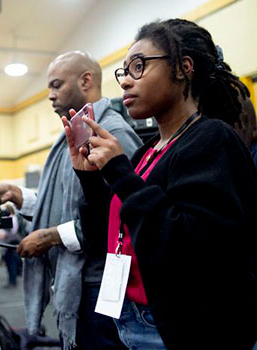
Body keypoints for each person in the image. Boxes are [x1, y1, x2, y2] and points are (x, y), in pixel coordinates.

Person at [63, 19, 257, 350]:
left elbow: (191, 247)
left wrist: (121, 174)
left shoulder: (211, 139)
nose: (125, 81)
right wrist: (91, 179)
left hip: (187, 326)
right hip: (131, 317)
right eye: (123, 71)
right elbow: (105, 241)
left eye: (138, 67)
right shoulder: (144, 151)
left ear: (183, 68)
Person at [0, 51, 142, 349]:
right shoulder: (74, 133)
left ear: (86, 80)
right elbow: (70, 202)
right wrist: (17, 195)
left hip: (101, 286)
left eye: (56, 85)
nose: (50, 95)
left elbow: (121, 217)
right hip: (81, 284)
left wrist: (52, 236)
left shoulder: (112, 132)